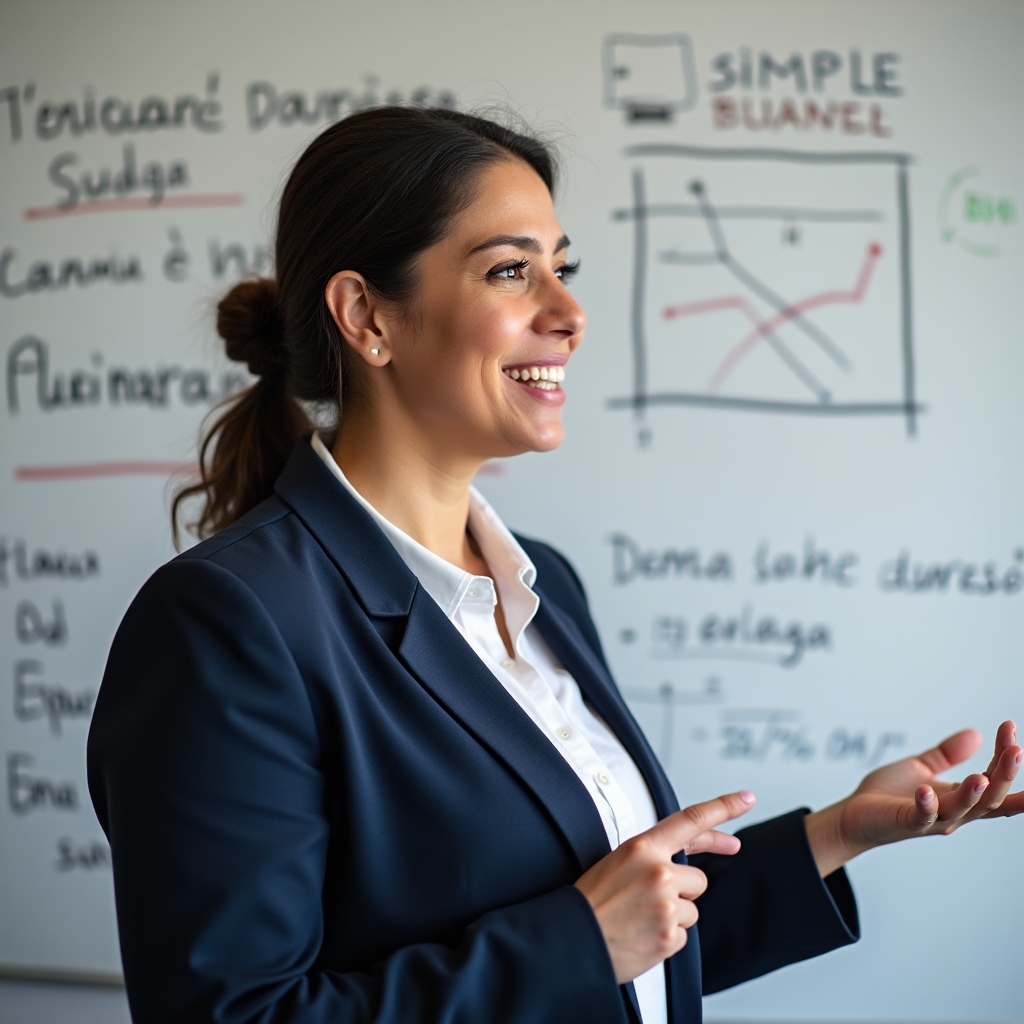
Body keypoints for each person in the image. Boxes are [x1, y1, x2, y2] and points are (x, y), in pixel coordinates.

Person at [87, 107, 1022, 1024]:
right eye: (510, 272)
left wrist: (837, 835)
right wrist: (581, 939)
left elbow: (637, 949)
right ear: (367, 315)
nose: (570, 313)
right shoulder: (230, 624)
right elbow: (236, 1013)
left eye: (562, 269)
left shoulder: (545, 587)